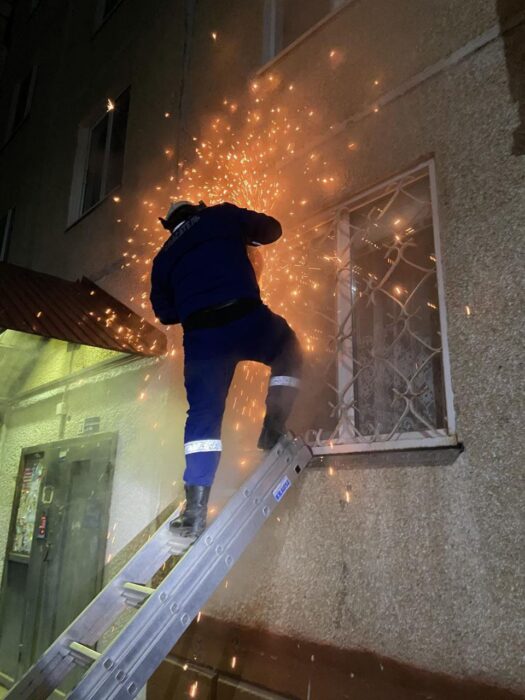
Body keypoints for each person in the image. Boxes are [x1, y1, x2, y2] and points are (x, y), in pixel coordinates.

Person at [150, 200, 302, 546]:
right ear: (195, 209)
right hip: (246, 318)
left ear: (169, 225)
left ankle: (194, 512)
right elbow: (273, 229)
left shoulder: (163, 258)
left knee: (203, 417)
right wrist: (245, 240)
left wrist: (193, 297)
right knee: (288, 349)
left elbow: (165, 314)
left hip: (203, 340)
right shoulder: (220, 215)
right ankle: (273, 430)